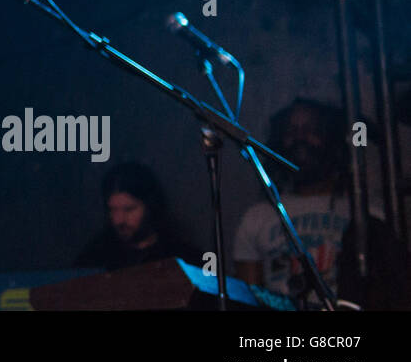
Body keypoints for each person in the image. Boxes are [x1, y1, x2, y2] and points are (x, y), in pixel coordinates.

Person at [232, 97, 409, 308]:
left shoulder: (366, 212)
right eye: (291, 131)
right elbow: (246, 297)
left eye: (311, 129)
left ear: (330, 138)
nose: (300, 138)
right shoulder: (257, 217)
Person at [74, 162, 202, 271]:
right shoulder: (96, 257)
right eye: (113, 210)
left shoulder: (181, 257)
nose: (119, 220)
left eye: (129, 209)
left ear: (150, 206)